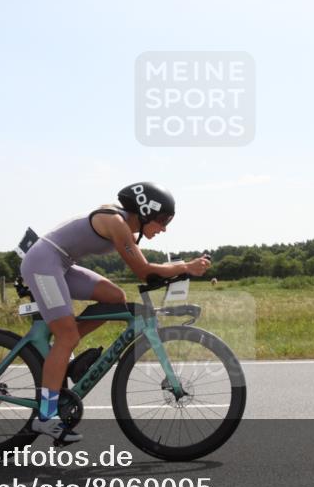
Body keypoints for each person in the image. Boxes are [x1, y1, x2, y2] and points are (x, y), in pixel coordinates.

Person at [19, 182, 211, 442]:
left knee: (114, 298)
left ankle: (63, 348)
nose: (164, 228)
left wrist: (180, 269)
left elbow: (148, 270)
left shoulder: (124, 225)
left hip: (61, 263)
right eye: (163, 220)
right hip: (44, 261)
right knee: (66, 338)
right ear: (145, 212)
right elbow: (143, 271)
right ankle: (45, 416)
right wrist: (186, 267)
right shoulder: (118, 224)